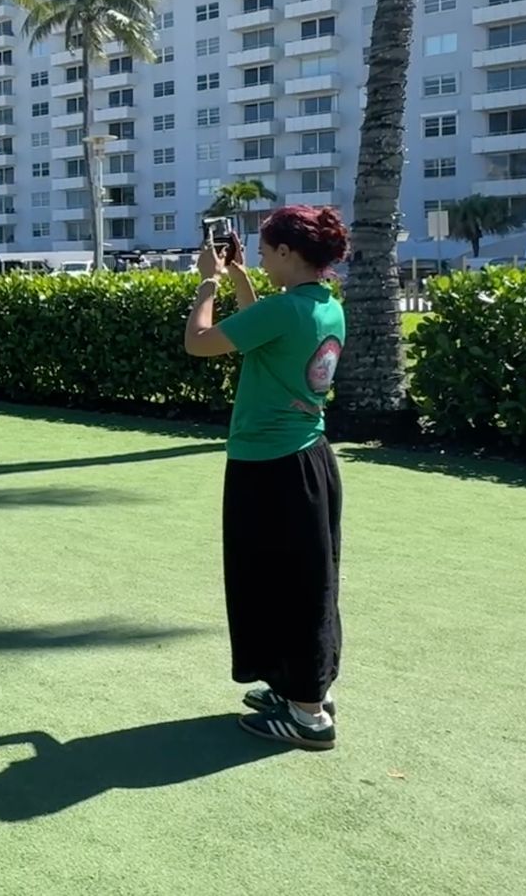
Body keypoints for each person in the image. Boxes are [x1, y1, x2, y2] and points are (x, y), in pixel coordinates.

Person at [182, 206, 348, 751]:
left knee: (289, 587)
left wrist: (206, 281)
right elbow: (261, 332)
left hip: (271, 466)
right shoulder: (322, 305)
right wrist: (238, 280)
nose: (258, 255)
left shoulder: (285, 310)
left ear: (286, 253)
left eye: (263, 249)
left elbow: (200, 342)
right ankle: (298, 689)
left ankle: (308, 716)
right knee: (295, 581)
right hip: (308, 462)